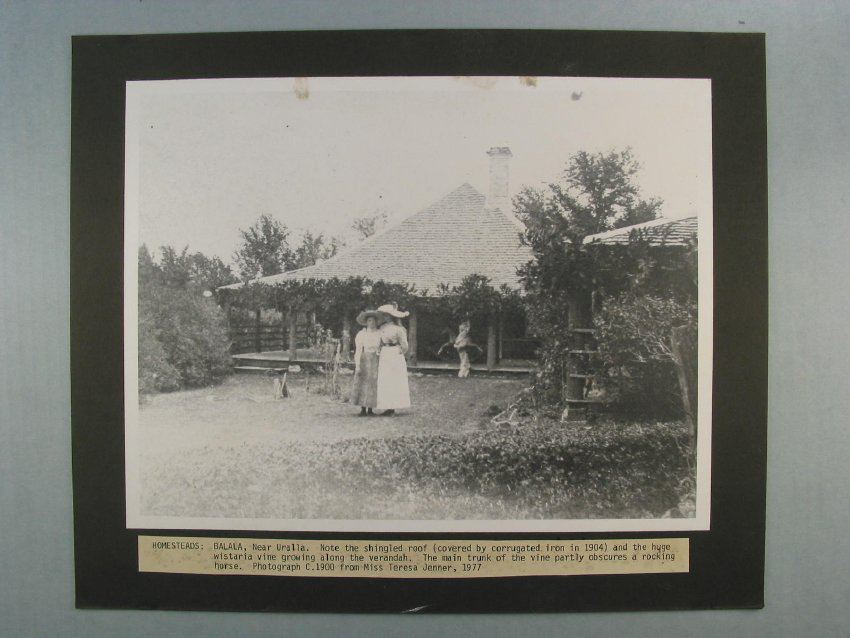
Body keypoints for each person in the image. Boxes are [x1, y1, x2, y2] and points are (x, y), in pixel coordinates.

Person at [374, 303, 411, 416]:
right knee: (385, 380)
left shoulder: (399, 329)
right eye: (384, 315)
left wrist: (399, 351)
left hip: (395, 354)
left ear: (391, 316)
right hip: (385, 354)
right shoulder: (382, 328)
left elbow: (404, 345)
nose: (385, 317)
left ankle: (394, 407)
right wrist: (379, 349)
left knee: (394, 380)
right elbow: (380, 341)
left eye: (387, 315)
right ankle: (387, 406)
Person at [350, 309, 384, 416]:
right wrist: (358, 365)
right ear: (366, 322)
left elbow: (382, 346)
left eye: (373, 320)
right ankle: (363, 408)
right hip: (365, 358)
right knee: (363, 382)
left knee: (373, 383)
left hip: (375, 359)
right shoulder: (362, 334)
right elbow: (359, 350)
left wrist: (379, 352)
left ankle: (371, 409)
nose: (372, 323)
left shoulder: (380, 333)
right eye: (369, 320)